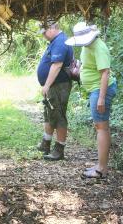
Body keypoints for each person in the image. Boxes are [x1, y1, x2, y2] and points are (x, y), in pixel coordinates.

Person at [66, 21, 117, 179]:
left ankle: (101, 169)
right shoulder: (87, 46)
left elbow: (105, 74)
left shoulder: (99, 47)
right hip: (94, 89)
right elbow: (89, 65)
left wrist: (101, 98)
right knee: (100, 126)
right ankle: (101, 165)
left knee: (101, 127)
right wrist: (79, 69)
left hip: (101, 90)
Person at [36, 22, 74, 161]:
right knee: (49, 114)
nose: (43, 35)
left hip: (58, 85)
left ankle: (59, 149)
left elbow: (57, 65)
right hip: (53, 85)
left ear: (53, 28)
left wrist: (46, 85)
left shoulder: (60, 41)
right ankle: (46, 143)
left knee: (58, 115)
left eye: (45, 32)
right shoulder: (55, 41)